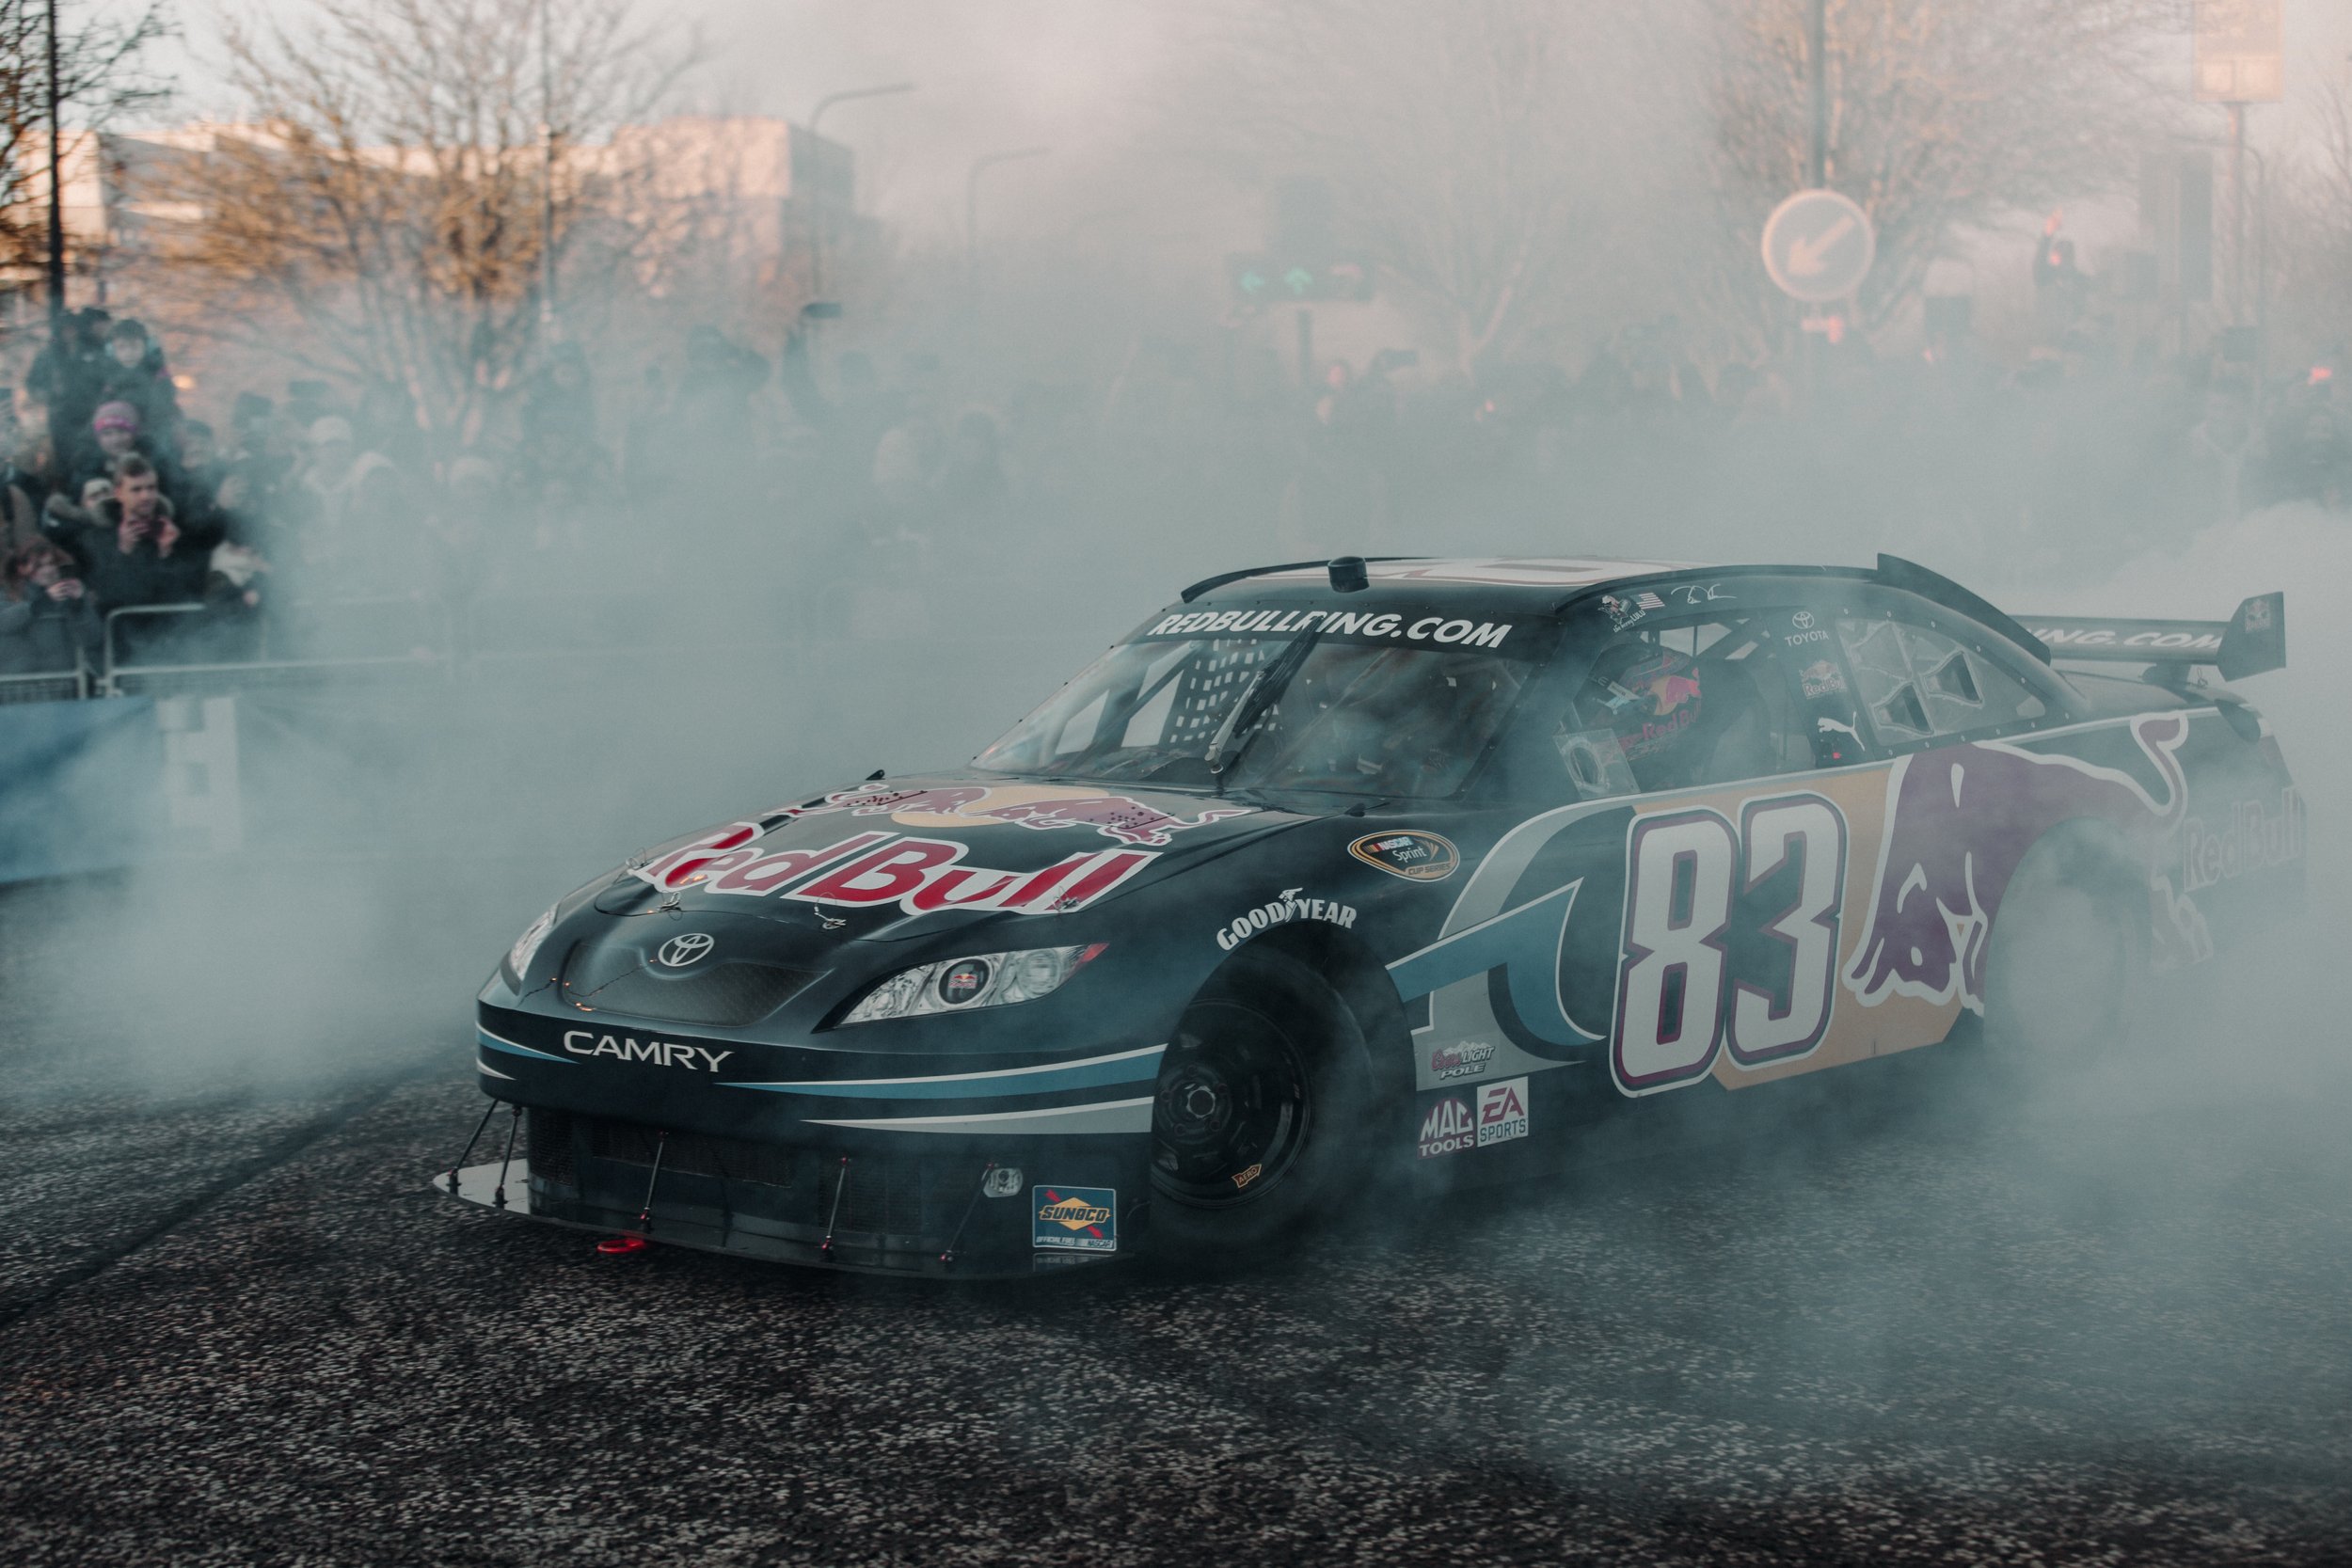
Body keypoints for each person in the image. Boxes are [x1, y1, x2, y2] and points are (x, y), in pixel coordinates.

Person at [40, 454, 204, 616]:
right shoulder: (95, 538)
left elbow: (187, 593)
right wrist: (124, 552)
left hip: (172, 633)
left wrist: (166, 553)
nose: (145, 496)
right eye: (136, 489)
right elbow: (108, 597)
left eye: (151, 488)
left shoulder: (174, 531)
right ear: (119, 493)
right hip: (123, 633)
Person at [0, 538, 101, 675]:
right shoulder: (8, 594)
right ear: (21, 568)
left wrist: (79, 604)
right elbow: (4, 622)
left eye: (51, 564)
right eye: (39, 566)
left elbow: (93, 639)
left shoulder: (68, 596)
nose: (48, 571)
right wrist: (43, 602)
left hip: (64, 681)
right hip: (21, 682)